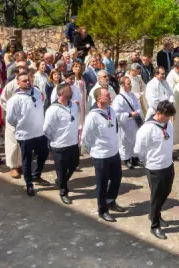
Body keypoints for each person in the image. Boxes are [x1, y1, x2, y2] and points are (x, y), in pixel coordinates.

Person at [82, 87, 127, 221]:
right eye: (107, 95)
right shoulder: (93, 116)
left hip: (113, 152)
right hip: (100, 155)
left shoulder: (111, 110)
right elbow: (86, 137)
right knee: (101, 184)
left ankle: (111, 201)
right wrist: (93, 150)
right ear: (99, 99)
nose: (110, 96)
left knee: (116, 178)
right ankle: (102, 209)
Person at [135, 100, 177, 239]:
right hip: (154, 167)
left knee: (166, 191)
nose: (169, 119)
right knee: (156, 196)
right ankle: (154, 225)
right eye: (167, 116)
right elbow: (139, 150)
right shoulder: (147, 129)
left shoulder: (168, 123)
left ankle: (155, 214)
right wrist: (148, 161)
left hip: (168, 164)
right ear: (158, 114)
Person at [6, 73, 51, 196]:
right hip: (25, 135)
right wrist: (22, 124)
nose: (27, 82)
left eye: (28, 80)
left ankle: (36, 175)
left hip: (40, 132)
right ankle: (29, 183)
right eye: (24, 81)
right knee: (27, 159)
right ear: (18, 83)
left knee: (44, 153)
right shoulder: (14, 99)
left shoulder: (36, 91)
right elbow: (10, 119)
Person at [44, 83, 80, 205]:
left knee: (74, 164)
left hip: (73, 143)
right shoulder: (53, 109)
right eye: (69, 90)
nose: (72, 92)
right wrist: (54, 140)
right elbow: (47, 129)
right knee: (61, 169)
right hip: (59, 145)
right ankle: (63, 192)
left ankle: (60, 181)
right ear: (62, 93)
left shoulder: (73, 106)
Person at [112, 76, 144, 169]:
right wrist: (129, 114)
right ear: (122, 85)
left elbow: (138, 106)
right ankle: (126, 159)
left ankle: (135, 158)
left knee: (135, 140)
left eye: (130, 83)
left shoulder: (132, 95)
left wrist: (137, 112)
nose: (130, 85)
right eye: (128, 83)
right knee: (125, 142)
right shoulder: (119, 98)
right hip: (126, 123)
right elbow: (116, 113)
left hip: (135, 122)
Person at [1, 67, 27, 178]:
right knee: (13, 142)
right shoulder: (10, 85)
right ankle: (13, 166)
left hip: (25, 119)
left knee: (23, 142)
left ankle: (21, 164)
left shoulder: (29, 85)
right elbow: (3, 100)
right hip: (13, 119)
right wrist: (12, 112)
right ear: (16, 73)